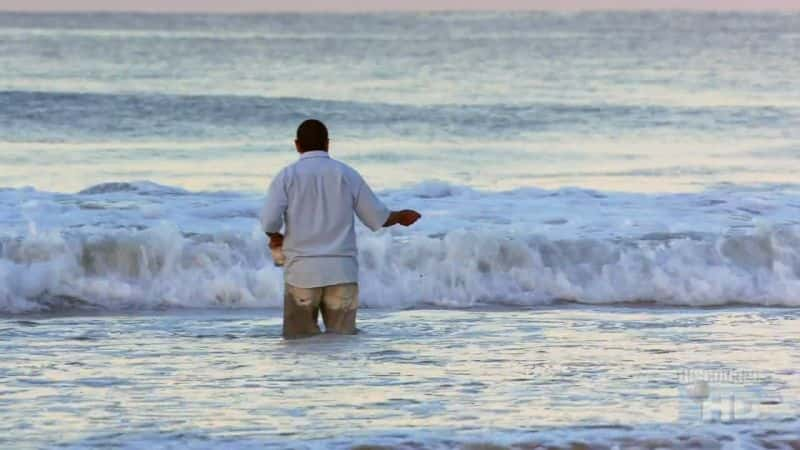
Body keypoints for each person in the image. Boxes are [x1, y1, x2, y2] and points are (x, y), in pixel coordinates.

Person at [260, 119, 421, 338]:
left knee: (299, 346)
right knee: (343, 345)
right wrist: (400, 216)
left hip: (302, 274)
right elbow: (376, 217)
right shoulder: (346, 174)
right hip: (342, 272)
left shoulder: (286, 176)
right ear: (327, 144)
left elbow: (269, 221)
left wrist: (275, 236)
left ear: (297, 145)